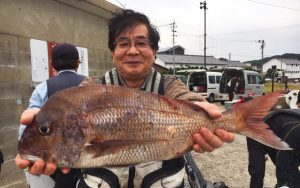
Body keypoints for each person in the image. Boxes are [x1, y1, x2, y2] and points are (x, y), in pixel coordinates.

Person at [15, 9, 235, 187]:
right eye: (123, 44)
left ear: (154, 51)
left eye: (141, 43)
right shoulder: (90, 89)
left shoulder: (169, 86)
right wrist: (42, 132)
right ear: (113, 51)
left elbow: (186, 98)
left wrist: (207, 113)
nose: (132, 51)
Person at [18, 43, 86, 188]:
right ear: (78, 63)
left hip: (53, 164)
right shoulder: (90, 85)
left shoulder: (42, 88)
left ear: (52, 64)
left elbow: (28, 125)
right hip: (87, 161)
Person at [247, 103, 300, 188]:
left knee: (292, 171)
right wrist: (283, 184)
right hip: (257, 131)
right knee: (258, 172)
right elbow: (283, 159)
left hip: (278, 136)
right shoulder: (296, 129)